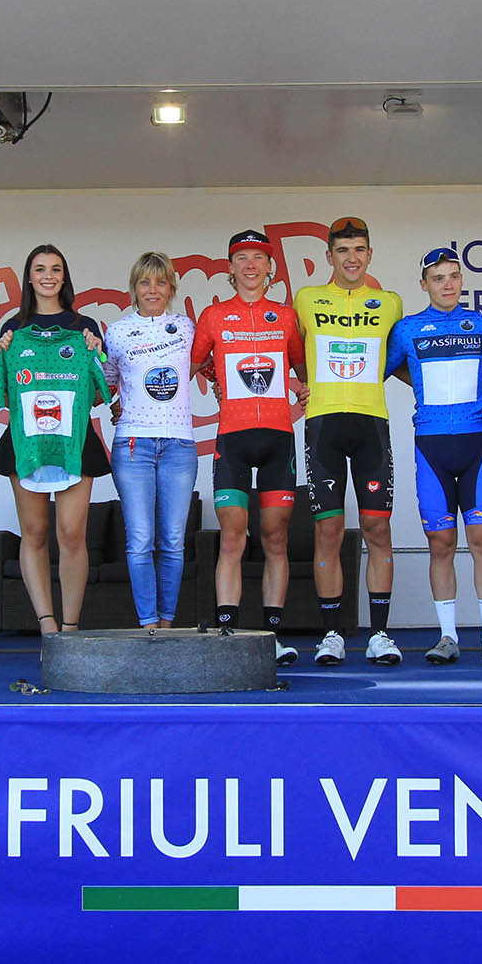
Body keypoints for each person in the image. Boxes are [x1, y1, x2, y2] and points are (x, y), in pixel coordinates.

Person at [190, 230, 309, 663]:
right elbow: (191, 362)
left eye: (259, 258)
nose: (251, 265)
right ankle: (227, 635)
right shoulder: (213, 316)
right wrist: (215, 381)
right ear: (230, 268)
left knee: (276, 538)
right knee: (232, 538)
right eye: (242, 258)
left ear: (270, 268)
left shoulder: (286, 316)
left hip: (278, 437)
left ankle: (272, 636)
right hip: (232, 439)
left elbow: (303, 368)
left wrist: (307, 389)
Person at [386, 248, 482, 667]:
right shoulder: (407, 329)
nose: (448, 285)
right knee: (441, 544)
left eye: (454, 276)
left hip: (475, 446)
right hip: (432, 447)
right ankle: (448, 636)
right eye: (439, 278)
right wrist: (420, 385)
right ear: (424, 284)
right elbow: (386, 370)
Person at [294, 216, 405, 666]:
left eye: (359, 249)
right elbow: (287, 350)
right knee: (328, 530)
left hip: (371, 426)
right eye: (343, 251)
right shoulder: (306, 299)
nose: (352, 258)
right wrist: (304, 385)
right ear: (329, 257)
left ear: (370, 255)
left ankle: (379, 633)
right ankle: (331, 634)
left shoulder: (390, 304)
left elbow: (402, 358)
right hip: (322, 426)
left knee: (379, 529)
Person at [0, 245, 110, 634]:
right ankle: (46, 622)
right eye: (40, 268)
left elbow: (97, 392)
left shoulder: (85, 326)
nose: (48, 275)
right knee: (35, 532)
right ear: (29, 276)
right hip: (27, 440)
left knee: (72, 533)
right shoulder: (12, 330)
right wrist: (1, 355)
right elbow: (7, 395)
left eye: (55, 268)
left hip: (75, 440)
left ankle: (71, 626)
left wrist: (97, 354)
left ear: (65, 276)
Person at [103, 252, 198, 630]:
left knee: (174, 541)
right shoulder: (118, 331)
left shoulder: (187, 328)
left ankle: (168, 623)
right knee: (140, 540)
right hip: (132, 446)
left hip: (179, 444)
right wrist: (112, 402)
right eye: (145, 282)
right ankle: (148, 625)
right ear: (133, 289)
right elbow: (107, 383)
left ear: (172, 287)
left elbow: (215, 364)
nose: (152, 289)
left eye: (160, 282)